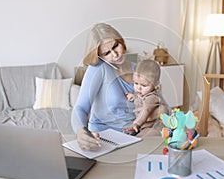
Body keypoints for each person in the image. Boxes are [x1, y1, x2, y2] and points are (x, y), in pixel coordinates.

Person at [71, 23, 136, 151]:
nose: (115, 54)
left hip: (135, 135)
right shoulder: (98, 68)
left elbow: (160, 103)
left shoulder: (138, 67)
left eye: (116, 46)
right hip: (104, 138)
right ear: (100, 56)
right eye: (107, 53)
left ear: (121, 41)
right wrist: (81, 132)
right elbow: (80, 108)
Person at [123, 59, 169, 136]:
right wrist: (134, 97)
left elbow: (146, 109)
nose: (138, 88)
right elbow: (140, 99)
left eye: (144, 85)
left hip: (156, 127)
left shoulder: (152, 97)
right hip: (143, 126)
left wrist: (136, 124)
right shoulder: (142, 94)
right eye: (136, 83)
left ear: (156, 84)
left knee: (140, 138)